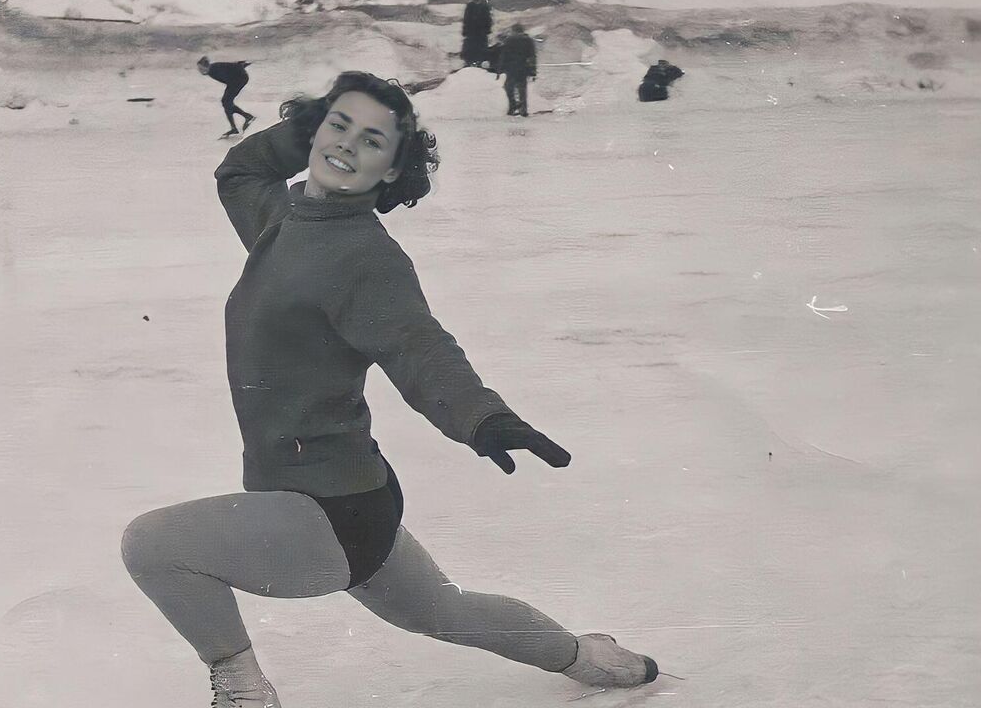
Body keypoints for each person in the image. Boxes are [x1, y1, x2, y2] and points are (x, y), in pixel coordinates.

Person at [121, 71, 660, 707]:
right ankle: (592, 659)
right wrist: (312, 124)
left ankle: (243, 692)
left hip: (329, 513)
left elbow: (419, 346)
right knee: (447, 611)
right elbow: (240, 171)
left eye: (372, 141)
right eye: (338, 126)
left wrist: (481, 416)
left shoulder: (365, 256)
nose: (347, 145)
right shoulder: (282, 220)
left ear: (391, 172)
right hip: (338, 495)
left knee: (154, 545)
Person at [198, 55, 257, 138]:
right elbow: (230, 66)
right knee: (226, 102)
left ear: (205, 67)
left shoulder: (213, 70)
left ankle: (243, 120)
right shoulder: (212, 69)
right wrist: (242, 64)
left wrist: (241, 66)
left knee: (226, 102)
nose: (200, 71)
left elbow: (232, 67)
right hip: (236, 80)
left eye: (201, 68)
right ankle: (244, 119)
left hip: (239, 79)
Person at [497, 24, 538, 116]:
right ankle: (523, 109)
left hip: (511, 68)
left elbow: (504, 56)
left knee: (508, 87)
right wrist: (533, 70)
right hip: (523, 67)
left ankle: (513, 105)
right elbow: (532, 56)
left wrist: (500, 69)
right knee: (522, 88)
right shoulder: (528, 40)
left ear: (514, 30)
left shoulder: (509, 40)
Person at [461, 0, 493, 67]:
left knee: (480, 46)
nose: (477, 0)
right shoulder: (470, 6)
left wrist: (487, 29)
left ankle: (479, 60)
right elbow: (466, 19)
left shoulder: (485, 7)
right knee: (471, 46)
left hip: (481, 32)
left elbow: (488, 19)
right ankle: (470, 61)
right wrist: (465, 30)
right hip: (471, 31)